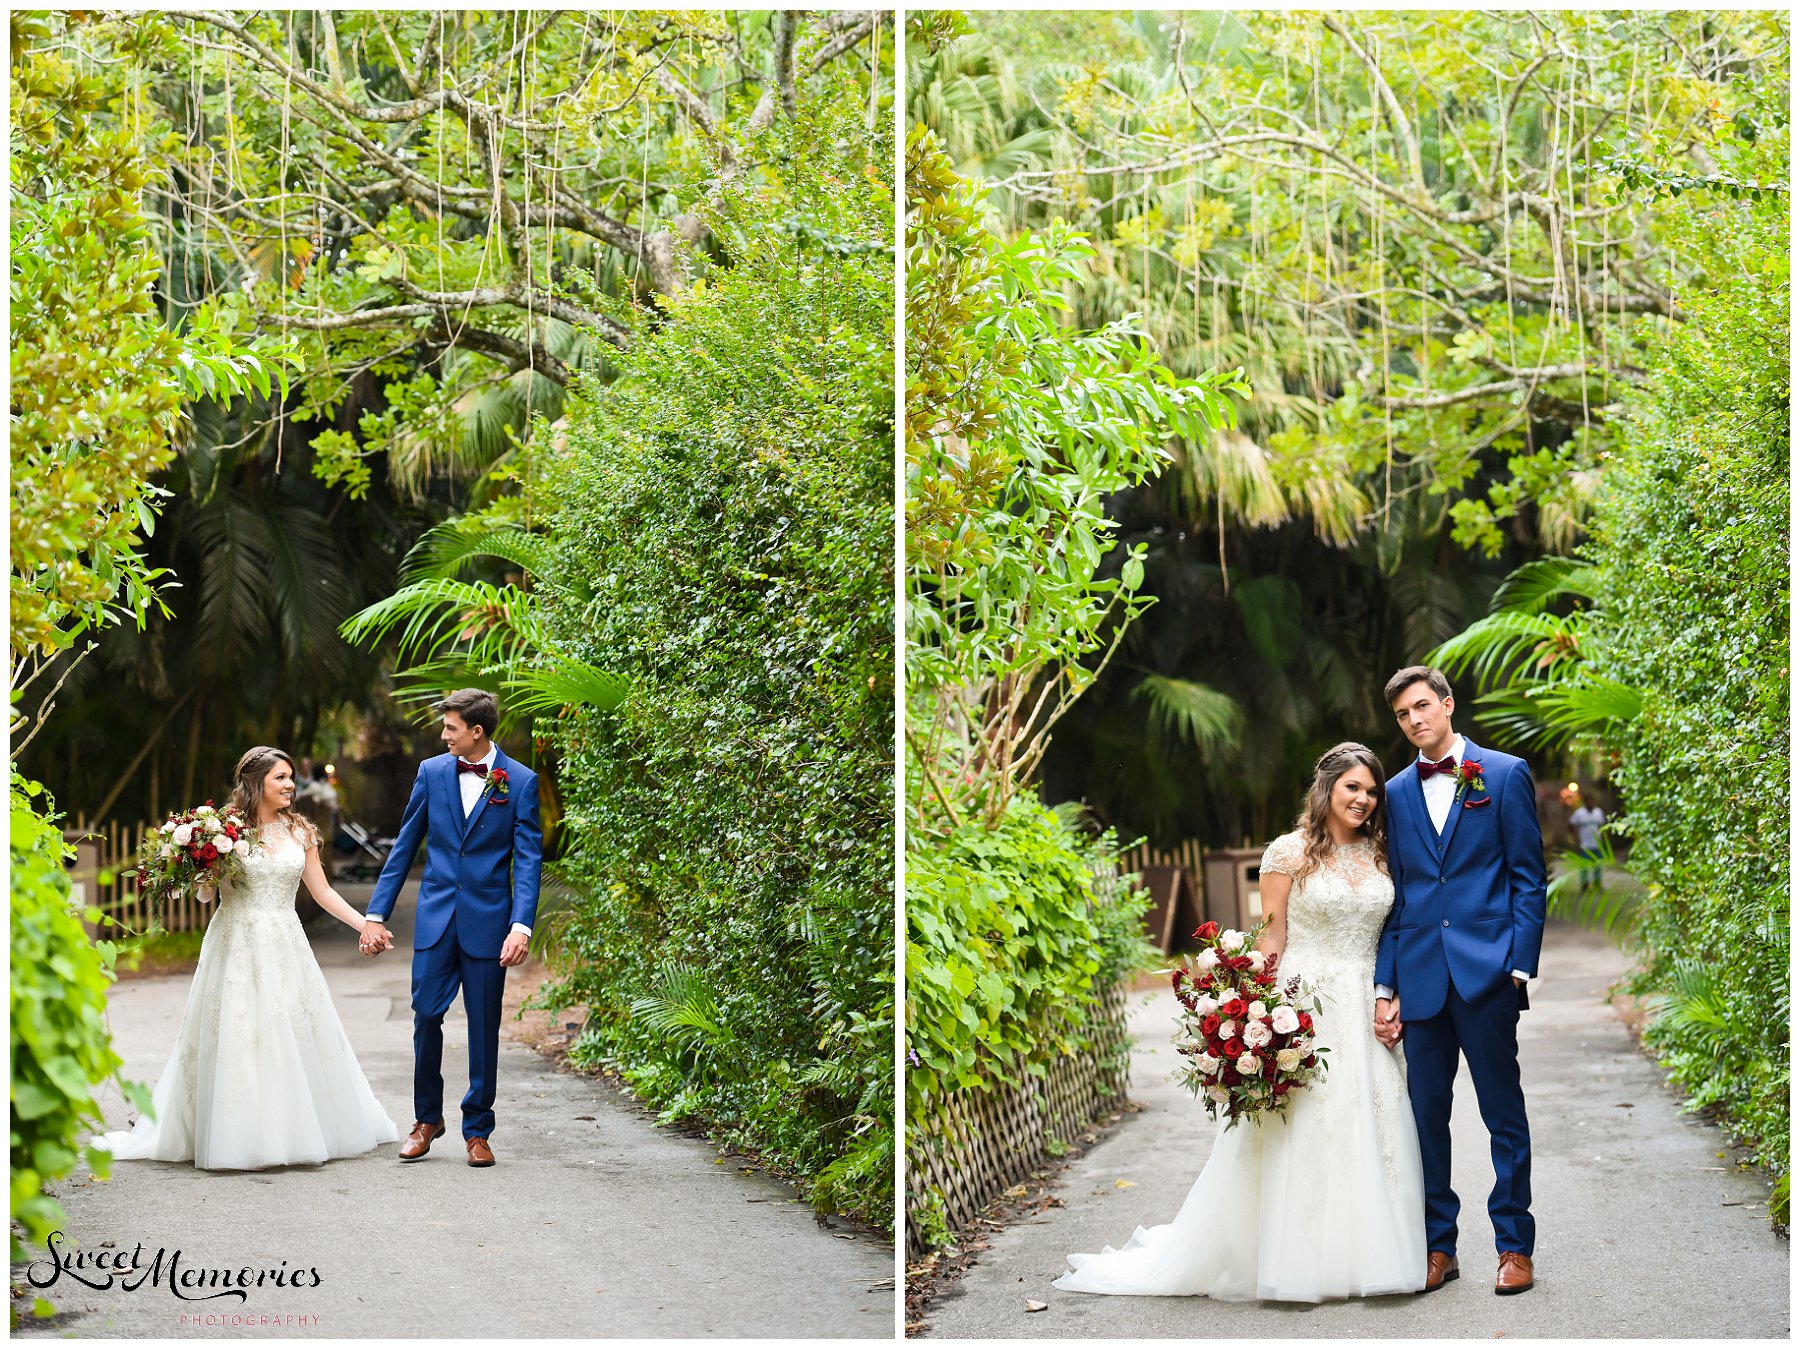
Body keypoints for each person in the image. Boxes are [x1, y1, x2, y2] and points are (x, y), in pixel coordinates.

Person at [1054, 743, 1425, 1302]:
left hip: (1365, 998)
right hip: (1307, 1001)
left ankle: (1370, 1252)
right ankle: (1293, 1255)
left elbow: (1396, 931)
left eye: (1372, 791)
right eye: (1353, 788)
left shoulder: (1381, 853)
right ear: (1326, 789)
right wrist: (1254, 1010)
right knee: (1305, 1122)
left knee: (1374, 1118)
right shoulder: (1288, 853)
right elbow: (1272, 939)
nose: (1364, 800)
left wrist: (1388, 992)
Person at [93, 747, 399, 1170]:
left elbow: (323, 893)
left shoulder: (301, 832)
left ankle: (291, 1129)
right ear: (256, 783)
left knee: (286, 1027)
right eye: (281, 777)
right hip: (234, 940)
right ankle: (235, 1133)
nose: (290, 784)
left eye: (291, 776)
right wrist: (199, 862)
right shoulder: (225, 830)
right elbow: (204, 893)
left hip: (285, 940)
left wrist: (365, 924)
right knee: (238, 1029)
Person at [1375, 666, 1545, 1296]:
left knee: (1504, 1114)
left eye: (1422, 706)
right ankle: (1437, 1246)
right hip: (1421, 977)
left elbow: (1528, 876)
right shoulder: (1393, 793)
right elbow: (1396, 896)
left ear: (1447, 705)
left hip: (1489, 973)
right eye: (1402, 714)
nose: (1414, 720)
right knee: (1425, 1118)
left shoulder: (1503, 774)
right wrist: (1385, 984)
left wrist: (1519, 963)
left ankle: (1514, 1246)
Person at [361, 688, 542, 1168]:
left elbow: (527, 861)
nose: (443, 735)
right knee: (425, 1017)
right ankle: (426, 1120)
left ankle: (477, 1129)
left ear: (476, 732)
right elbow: (405, 846)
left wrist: (521, 926)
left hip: (489, 925)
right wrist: (376, 913)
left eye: (450, 728)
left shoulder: (519, 782)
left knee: (484, 1029)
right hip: (437, 920)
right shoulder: (432, 773)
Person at [1568, 794, 1607, 896]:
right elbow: (1571, 824)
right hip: (1585, 845)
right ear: (1585, 802)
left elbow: (1603, 826)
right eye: (1588, 801)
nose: (1590, 803)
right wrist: (1574, 837)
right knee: (1584, 866)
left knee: (1597, 865)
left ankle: (1597, 883)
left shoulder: (1598, 812)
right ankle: (1584, 884)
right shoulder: (1579, 813)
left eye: (1592, 801)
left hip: (1597, 844)